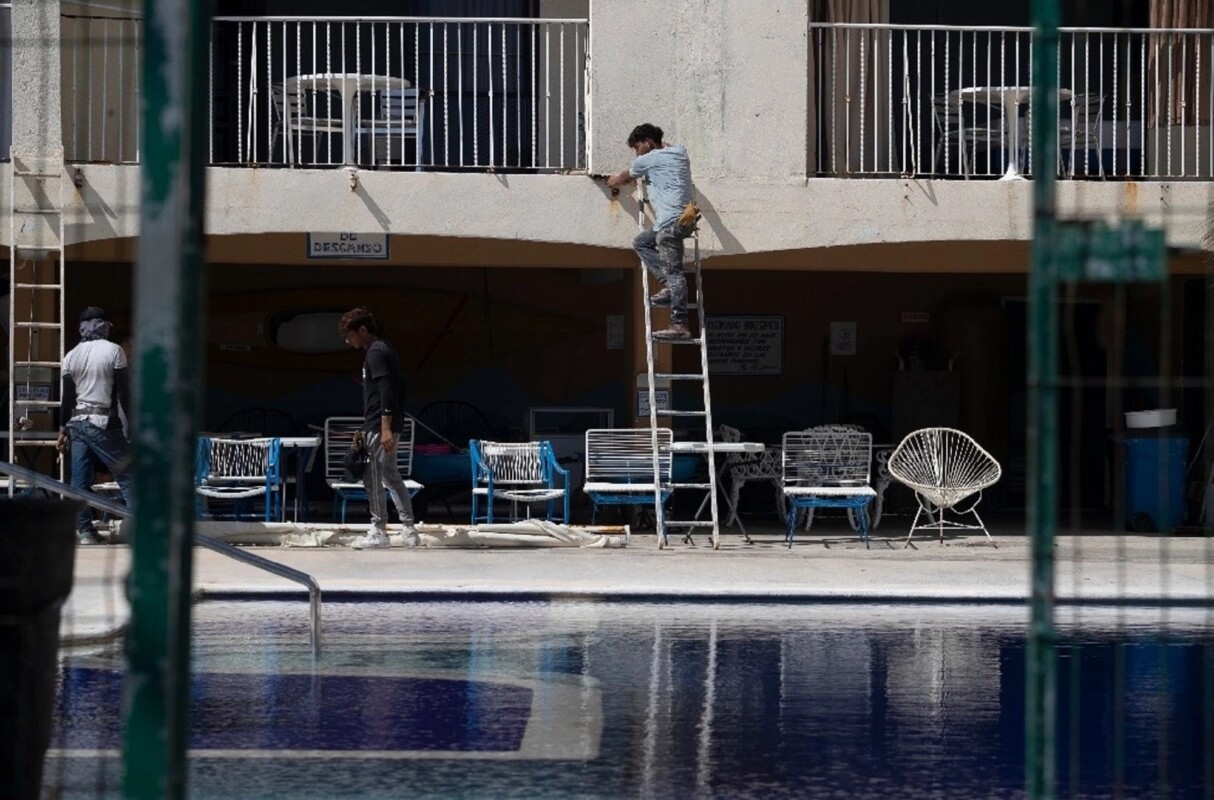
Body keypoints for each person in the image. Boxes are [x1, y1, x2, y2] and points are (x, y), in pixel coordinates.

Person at [606, 123, 697, 340]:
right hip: (685, 219)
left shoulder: (646, 160)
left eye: (637, 147)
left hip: (670, 223)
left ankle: (680, 325)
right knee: (641, 243)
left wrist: (612, 181)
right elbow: (664, 145)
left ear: (647, 143)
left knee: (675, 272)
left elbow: (623, 178)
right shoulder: (679, 152)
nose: (635, 153)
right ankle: (667, 287)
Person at [338, 307, 419, 549]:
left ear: (362, 330)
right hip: (384, 424)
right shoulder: (385, 350)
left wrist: (384, 428)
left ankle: (379, 529)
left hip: (379, 425)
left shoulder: (375, 352)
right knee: (391, 475)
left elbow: (388, 391)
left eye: (350, 334)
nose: (347, 340)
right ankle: (408, 528)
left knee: (371, 477)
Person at [56, 307, 133, 543]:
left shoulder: (71, 355)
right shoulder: (114, 351)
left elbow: (67, 398)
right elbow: (124, 394)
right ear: (104, 326)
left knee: (79, 480)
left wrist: (62, 430)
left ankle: (86, 531)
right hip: (103, 423)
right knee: (129, 475)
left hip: (77, 424)